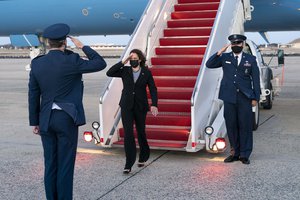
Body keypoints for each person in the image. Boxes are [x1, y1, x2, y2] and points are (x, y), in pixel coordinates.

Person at [28, 23, 106, 199]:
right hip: (66, 118)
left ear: (48, 43)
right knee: (65, 165)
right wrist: (82, 46)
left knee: (50, 164)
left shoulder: (37, 63)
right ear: (65, 42)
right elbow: (100, 63)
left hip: (45, 118)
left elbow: (33, 94)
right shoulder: (72, 60)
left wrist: (35, 121)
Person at [206, 34, 260, 164]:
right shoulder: (225, 57)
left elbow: (256, 80)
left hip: (245, 97)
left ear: (243, 44)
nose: (236, 45)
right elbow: (210, 64)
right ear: (231, 45)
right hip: (229, 97)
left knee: (245, 126)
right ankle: (234, 153)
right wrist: (220, 52)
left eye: (238, 43)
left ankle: (245, 154)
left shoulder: (250, 59)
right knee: (231, 125)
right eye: (233, 44)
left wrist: (256, 97)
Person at [106, 49, 158, 173]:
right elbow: (110, 72)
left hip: (140, 106)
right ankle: (129, 163)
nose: (132, 60)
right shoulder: (125, 70)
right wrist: (124, 61)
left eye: (134, 58)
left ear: (139, 59)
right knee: (128, 133)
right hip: (126, 105)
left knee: (141, 132)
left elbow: (153, 89)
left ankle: (143, 156)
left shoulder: (146, 72)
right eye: (131, 58)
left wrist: (154, 104)